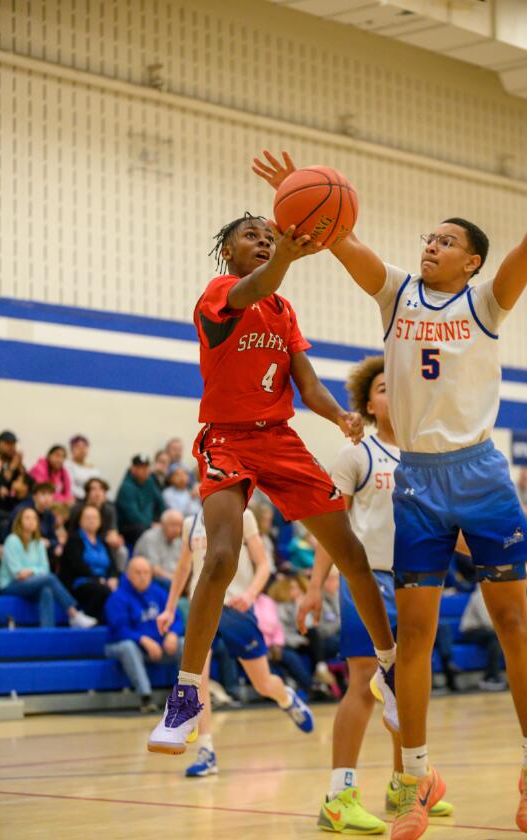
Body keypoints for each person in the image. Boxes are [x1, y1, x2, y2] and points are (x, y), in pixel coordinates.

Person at [254, 150, 527, 837]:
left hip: (481, 475)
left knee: (515, 625)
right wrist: (299, 201)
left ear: (471, 261)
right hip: (419, 481)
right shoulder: (396, 292)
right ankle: (413, 781)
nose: (431, 245)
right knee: (414, 639)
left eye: (446, 241)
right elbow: (339, 236)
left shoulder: (486, 300)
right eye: (429, 238)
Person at [148, 212, 396, 755]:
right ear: (228, 252)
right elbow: (259, 285)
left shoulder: (283, 311)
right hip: (226, 439)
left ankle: (391, 667)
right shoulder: (219, 294)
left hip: (279, 439)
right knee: (220, 557)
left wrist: (341, 416)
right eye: (251, 236)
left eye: (269, 235)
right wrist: (284, 252)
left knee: (351, 553)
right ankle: (185, 697)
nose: (263, 241)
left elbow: (307, 384)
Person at [297, 355, 452, 833]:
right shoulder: (356, 456)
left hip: (415, 582)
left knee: (407, 685)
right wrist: (314, 586)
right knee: (365, 681)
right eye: (383, 389)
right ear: (367, 404)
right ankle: (338, 796)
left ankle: (405, 784)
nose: (394, 395)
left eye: (399, 388)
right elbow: (332, 529)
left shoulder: (424, 457)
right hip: (366, 581)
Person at [155, 506, 314, 773]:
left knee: (263, 683)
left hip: (236, 608)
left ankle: (285, 698)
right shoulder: (190, 524)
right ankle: (206, 752)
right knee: (198, 680)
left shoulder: (243, 516)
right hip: (202, 608)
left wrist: (250, 594)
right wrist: (170, 608)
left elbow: (264, 565)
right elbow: (183, 568)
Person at [105, 556, 183, 712]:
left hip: (158, 646)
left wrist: (173, 634)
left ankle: (183, 695)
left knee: (183, 643)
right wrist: (142, 639)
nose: (142, 576)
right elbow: (120, 630)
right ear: (128, 574)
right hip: (123, 645)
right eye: (138, 572)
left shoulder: (159, 593)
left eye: (146, 572)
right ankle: (145, 697)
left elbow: (176, 618)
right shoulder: (117, 597)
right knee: (128, 647)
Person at [0, 507, 96, 628]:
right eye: (27, 518)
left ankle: (47, 631)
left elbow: (44, 569)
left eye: (34, 518)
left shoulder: (39, 543)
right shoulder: (12, 540)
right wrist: (35, 572)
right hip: (10, 584)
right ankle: (73, 614)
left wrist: (31, 571)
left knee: (46, 590)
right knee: (49, 579)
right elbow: (17, 574)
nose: (31, 521)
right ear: (19, 521)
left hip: (32, 583)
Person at [60, 504, 119, 621]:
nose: (92, 520)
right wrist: (97, 579)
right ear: (80, 521)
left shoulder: (102, 541)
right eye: (88, 518)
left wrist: (113, 578)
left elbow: (112, 565)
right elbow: (77, 566)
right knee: (102, 590)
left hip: (103, 580)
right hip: (81, 581)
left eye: (95, 517)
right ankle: (85, 618)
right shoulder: (74, 540)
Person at [71, 478, 128, 573]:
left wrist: (115, 539)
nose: (97, 493)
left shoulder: (109, 509)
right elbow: (72, 532)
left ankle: (116, 575)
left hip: (102, 542)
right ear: (87, 493)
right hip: (82, 541)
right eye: (93, 489)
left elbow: (113, 531)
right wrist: (104, 538)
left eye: (101, 489)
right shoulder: (77, 509)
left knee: (122, 551)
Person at [460, 586, 507, 692]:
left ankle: (490, 676)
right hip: (471, 631)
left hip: (488, 632)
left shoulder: (498, 595)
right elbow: (487, 621)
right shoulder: (479, 595)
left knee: (495, 642)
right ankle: (490, 676)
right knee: (497, 637)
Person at [115, 454, 166, 544]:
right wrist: (150, 525)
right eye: (141, 468)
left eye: (147, 467)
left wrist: (166, 520)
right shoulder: (126, 487)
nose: (145, 470)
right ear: (133, 469)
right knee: (140, 528)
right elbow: (133, 515)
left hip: (148, 522)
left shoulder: (149, 482)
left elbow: (161, 502)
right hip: (129, 526)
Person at [134, 509, 184, 585]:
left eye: (179, 525)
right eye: (173, 525)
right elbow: (154, 569)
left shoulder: (179, 541)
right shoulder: (150, 538)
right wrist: (176, 580)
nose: (177, 529)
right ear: (163, 524)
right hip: (152, 580)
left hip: (173, 579)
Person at [10, 482, 58, 554]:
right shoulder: (22, 510)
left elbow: (54, 539)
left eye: (50, 494)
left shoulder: (50, 515)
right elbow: (13, 532)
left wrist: (49, 543)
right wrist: (36, 541)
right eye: (43, 494)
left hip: (40, 550)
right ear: (34, 496)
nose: (47, 498)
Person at [64, 435, 101, 501]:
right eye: (78, 447)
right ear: (71, 450)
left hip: (95, 498)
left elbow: (100, 485)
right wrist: (88, 496)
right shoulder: (67, 465)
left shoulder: (93, 468)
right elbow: (70, 487)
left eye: (84, 447)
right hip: (78, 499)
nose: (82, 450)